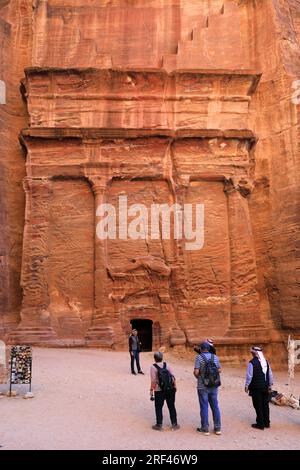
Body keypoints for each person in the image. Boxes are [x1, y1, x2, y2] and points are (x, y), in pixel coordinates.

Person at [194, 341, 222, 436]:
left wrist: (199, 376)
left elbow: (196, 372)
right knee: (215, 406)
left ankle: (205, 428)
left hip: (203, 386)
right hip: (214, 385)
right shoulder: (215, 357)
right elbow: (220, 370)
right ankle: (217, 428)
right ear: (209, 349)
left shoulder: (199, 357)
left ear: (201, 349)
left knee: (204, 407)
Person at [245, 346, 274, 430]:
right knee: (265, 404)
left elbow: (249, 376)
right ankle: (267, 422)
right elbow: (270, 375)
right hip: (265, 387)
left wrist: (246, 386)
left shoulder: (252, 363)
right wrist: (270, 385)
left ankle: (260, 424)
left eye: (252, 353)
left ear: (254, 353)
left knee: (258, 405)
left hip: (256, 388)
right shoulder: (266, 362)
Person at [150, 351, 180, 431]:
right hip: (170, 389)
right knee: (171, 406)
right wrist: (175, 386)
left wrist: (151, 390)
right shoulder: (167, 365)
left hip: (159, 390)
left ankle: (159, 425)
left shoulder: (153, 367)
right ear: (162, 358)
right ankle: (174, 424)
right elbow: (173, 377)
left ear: (155, 358)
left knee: (158, 407)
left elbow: (153, 380)